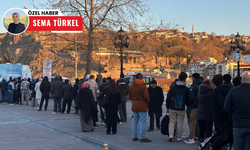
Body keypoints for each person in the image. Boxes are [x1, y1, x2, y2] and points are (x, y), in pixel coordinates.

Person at [225, 73, 250, 150]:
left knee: (237, 146)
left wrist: (233, 114)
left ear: (241, 81)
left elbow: (226, 107)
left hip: (238, 123)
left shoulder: (233, 91)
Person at [166, 72, 189, 142]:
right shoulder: (186, 89)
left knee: (172, 121)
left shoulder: (173, 87)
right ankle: (179, 137)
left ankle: (171, 134)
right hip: (181, 107)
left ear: (178, 78)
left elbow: (168, 97)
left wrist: (168, 106)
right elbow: (187, 98)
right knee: (180, 122)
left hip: (172, 107)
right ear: (185, 79)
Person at [129, 73, 151, 142]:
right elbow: (146, 96)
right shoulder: (143, 86)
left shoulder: (131, 86)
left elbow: (129, 96)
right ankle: (142, 137)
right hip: (142, 105)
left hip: (134, 105)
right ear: (141, 78)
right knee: (142, 121)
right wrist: (147, 102)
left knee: (134, 121)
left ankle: (134, 136)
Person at [185, 73, 203, 144]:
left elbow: (191, 98)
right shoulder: (203, 85)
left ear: (193, 78)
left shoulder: (193, 86)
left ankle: (191, 137)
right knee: (200, 123)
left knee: (192, 122)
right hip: (202, 107)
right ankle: (199, 135)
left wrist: (189, 104)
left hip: (194, 107)